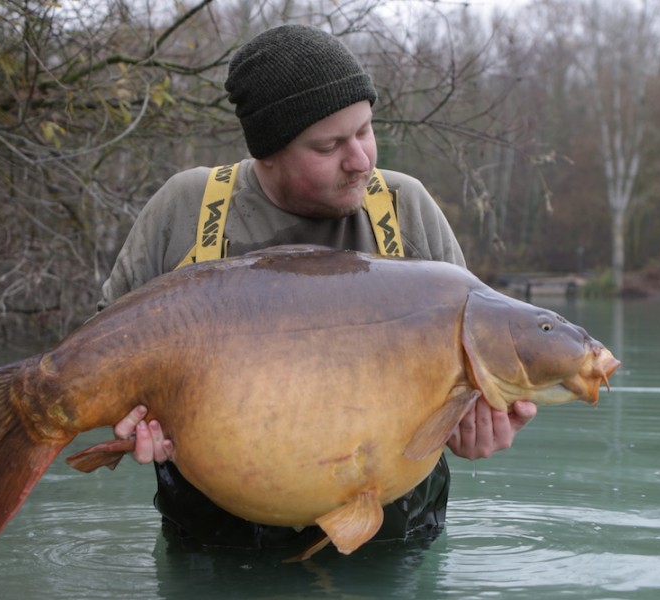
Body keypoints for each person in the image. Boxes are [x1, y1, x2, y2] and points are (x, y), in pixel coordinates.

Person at [99, 24, 536, 552]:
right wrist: (132, 420)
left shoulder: (405, 209)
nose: (361, 160)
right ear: (268, 155)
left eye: (365, 130)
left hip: (388, 539)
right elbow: (107, 356)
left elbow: (467, 370)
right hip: (215, 539)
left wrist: (477, 427)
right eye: (329, 145)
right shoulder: (189, 209)